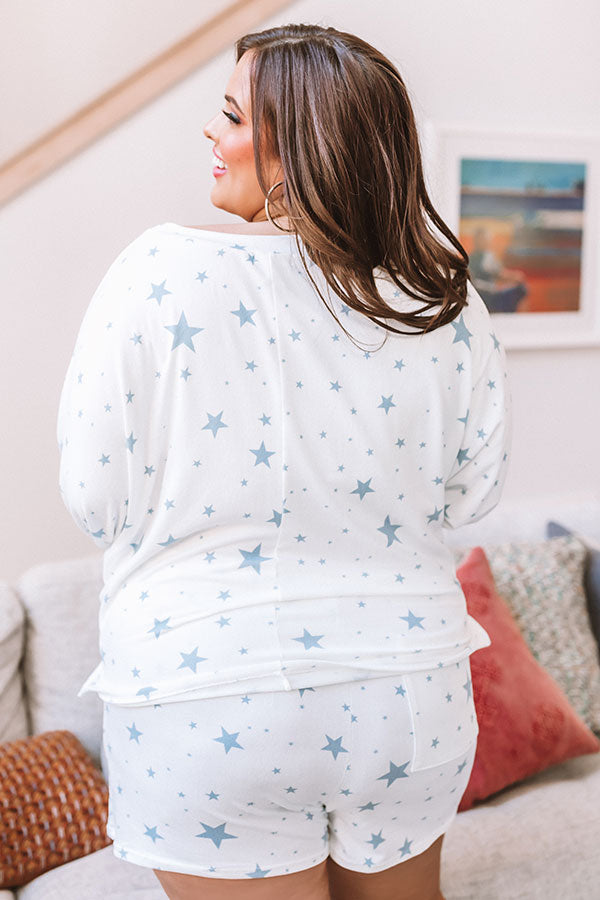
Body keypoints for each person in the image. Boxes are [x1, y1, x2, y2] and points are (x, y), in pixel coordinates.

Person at [56, 22, 512, 900]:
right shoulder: (439, 299)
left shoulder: (156, 272)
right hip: (406, 698)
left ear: (304, 149)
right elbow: (473, 494)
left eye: (232, 116)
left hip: (210, 700)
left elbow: (93, 499)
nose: (210, 130)